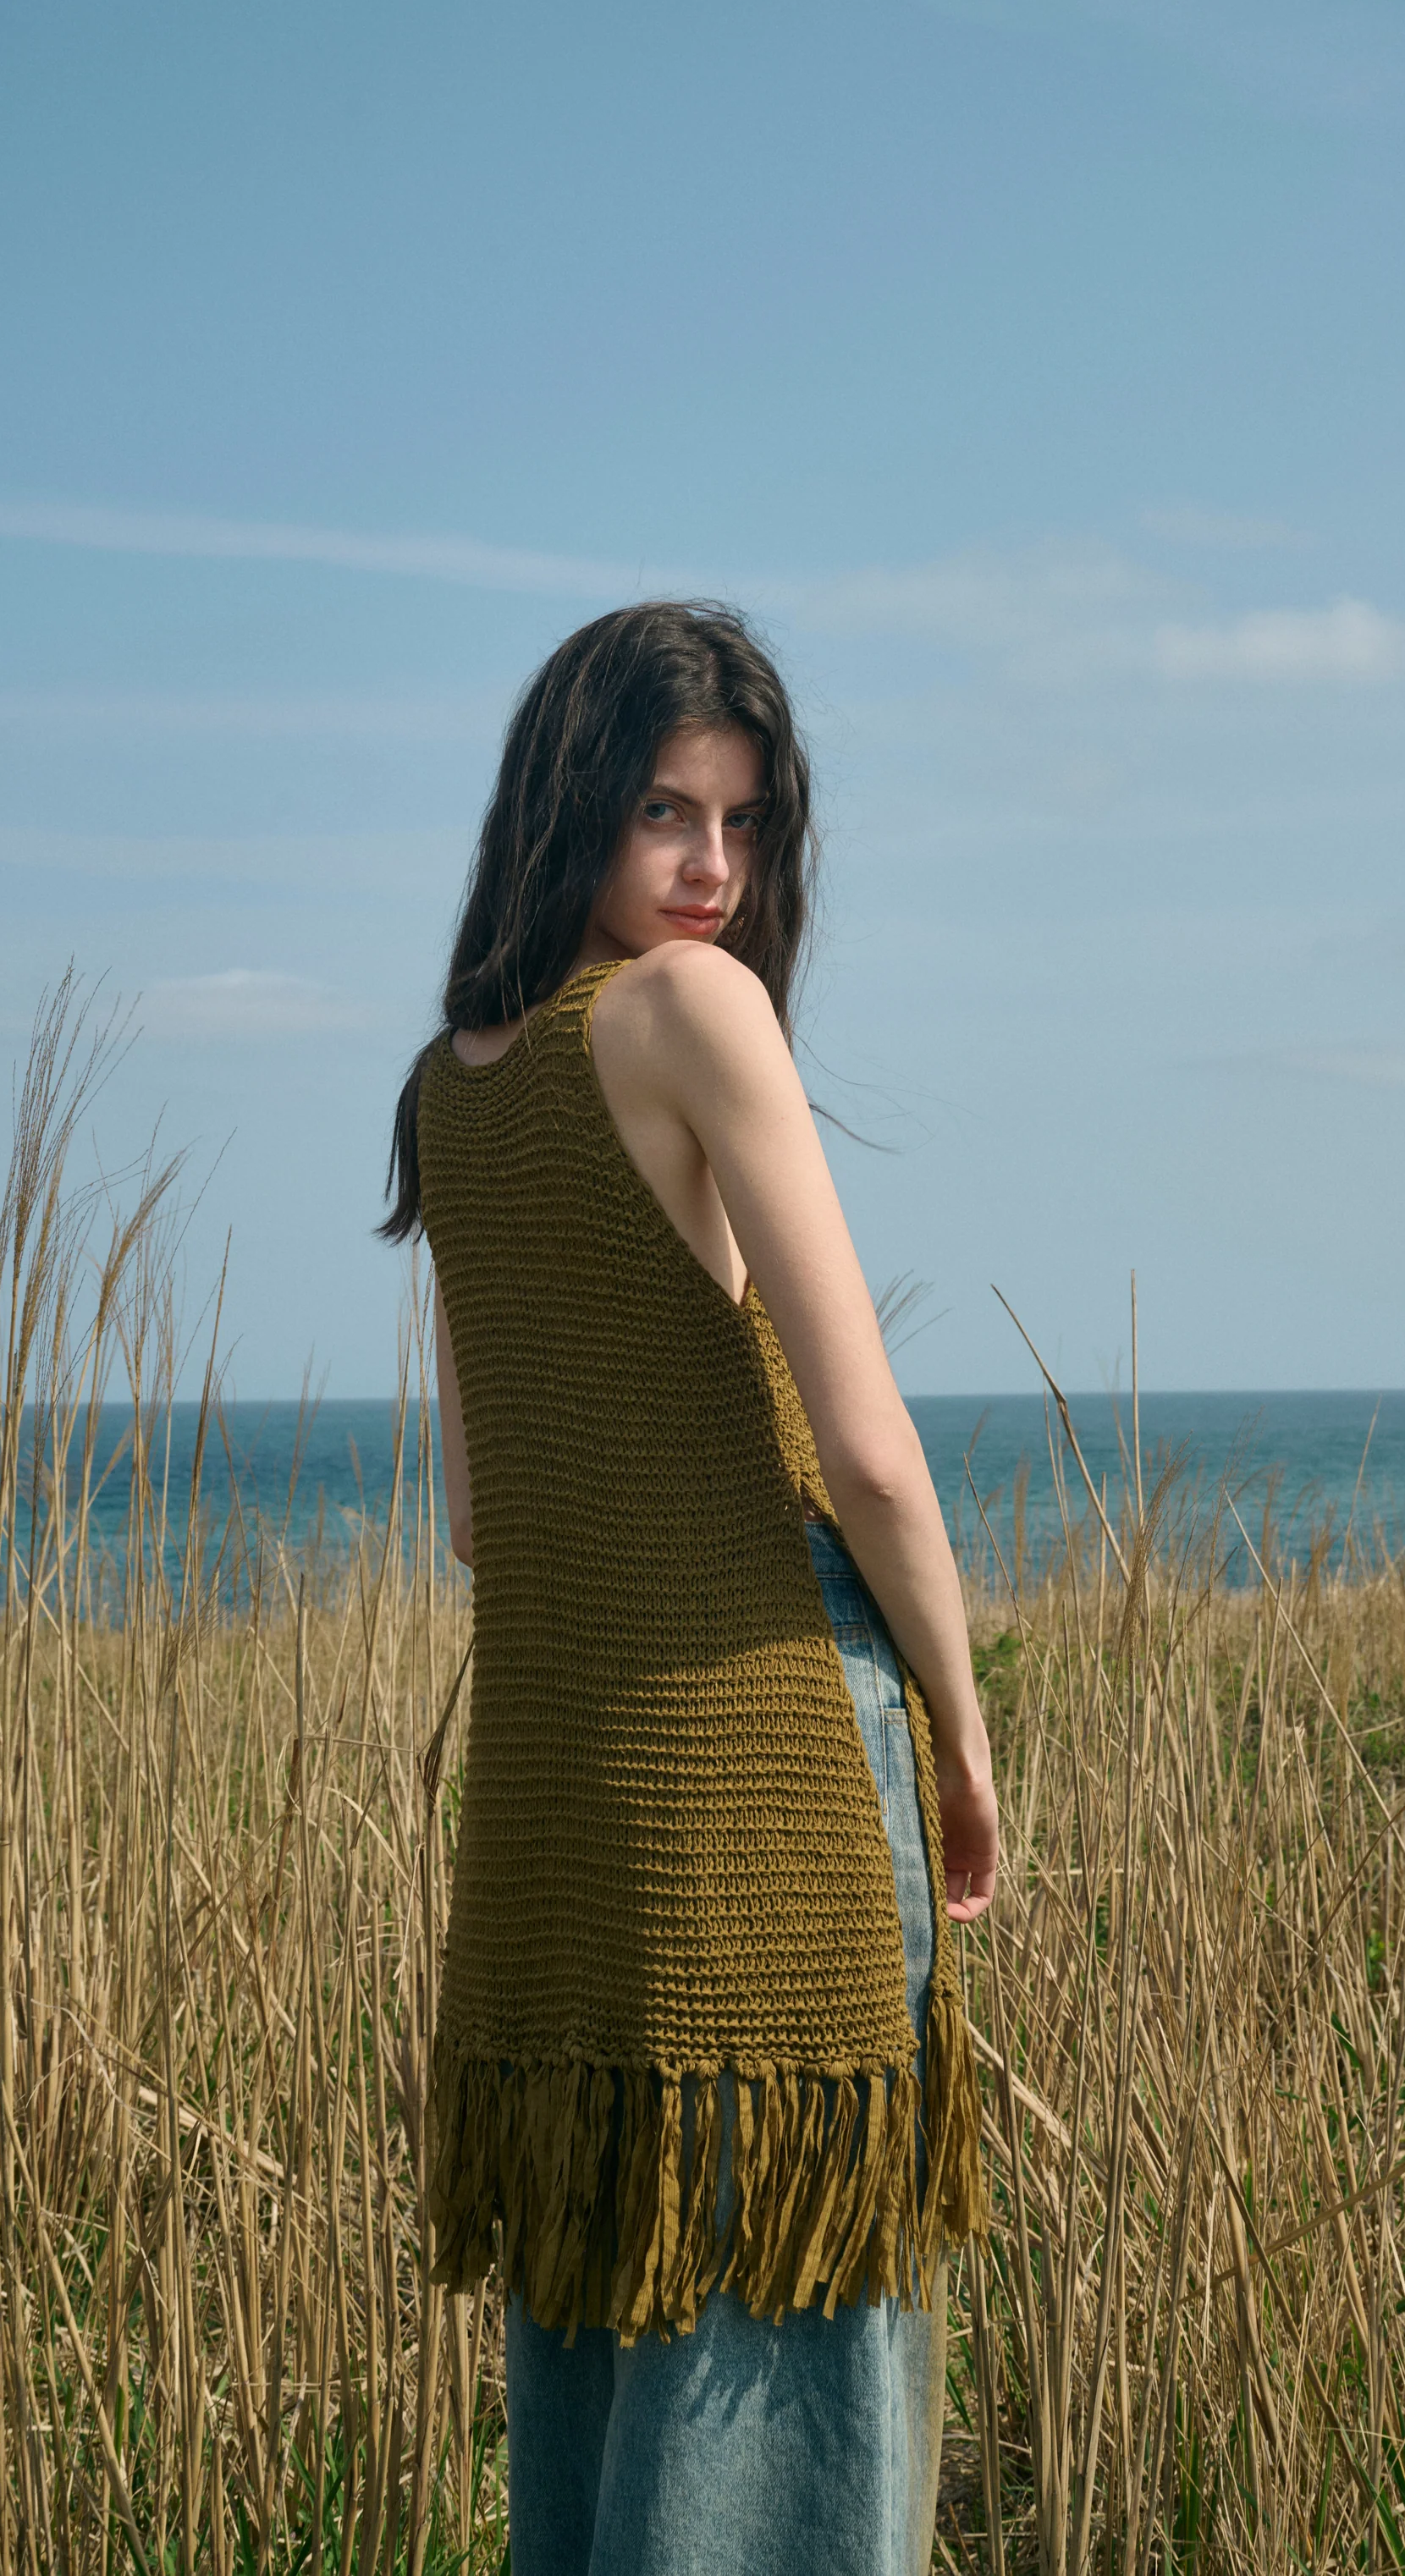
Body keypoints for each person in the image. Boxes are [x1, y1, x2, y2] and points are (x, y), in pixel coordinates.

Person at [381, 601, 996, 2576]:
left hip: (566, 1848)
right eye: (666, 811)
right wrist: (965, 1737)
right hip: (772, 1798)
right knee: (793, 2382)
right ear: (569, 809)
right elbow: (876, 1453)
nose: (713, 871)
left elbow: (482, 1513)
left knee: (617, 2347)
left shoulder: (448, 1091)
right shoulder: (695, 1018)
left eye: (744, 824)